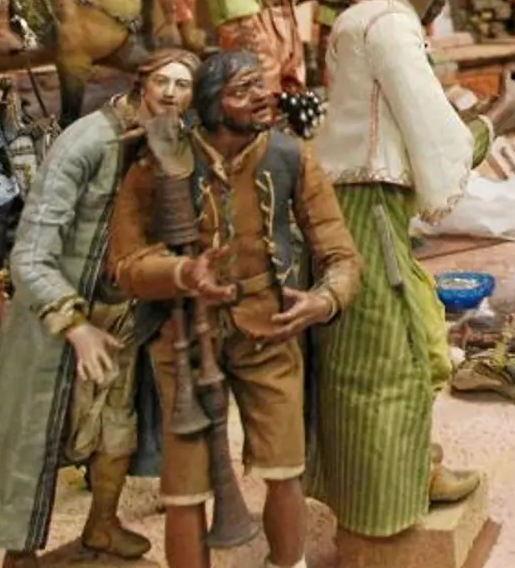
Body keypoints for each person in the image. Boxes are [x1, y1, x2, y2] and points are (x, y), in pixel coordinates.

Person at [309, 0, 515, 560]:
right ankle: (372, 526)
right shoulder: (393, 30)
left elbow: (403, 120)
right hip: (367, 213)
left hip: (356, 201)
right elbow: (440, 147)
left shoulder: (364, 16)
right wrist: (503, 113)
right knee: (387, 364)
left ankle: (410, 470)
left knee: (403, 350)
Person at [0, 49, 201, 567]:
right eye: (163, 81)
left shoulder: (176, 144)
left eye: (183, 84)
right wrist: (74, 325)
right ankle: (21, 552)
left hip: (126, 311)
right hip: (60, 316)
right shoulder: (86, 141)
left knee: (116, 424)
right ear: (141, 82)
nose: (172, 93)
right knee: (40, 433)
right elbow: (32, 255)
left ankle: (102, 526)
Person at [108, 51, 361, 568]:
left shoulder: (290, 157)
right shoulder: (159, 158)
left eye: (262, 86)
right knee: (185, 488)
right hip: (182, 334)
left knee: (285, 468)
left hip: (270, 328)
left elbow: (340, 252)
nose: (263, 96)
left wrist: (324, 299)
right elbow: (125, 262)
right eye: (243, 90)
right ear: (211, 102)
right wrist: (181, 275)